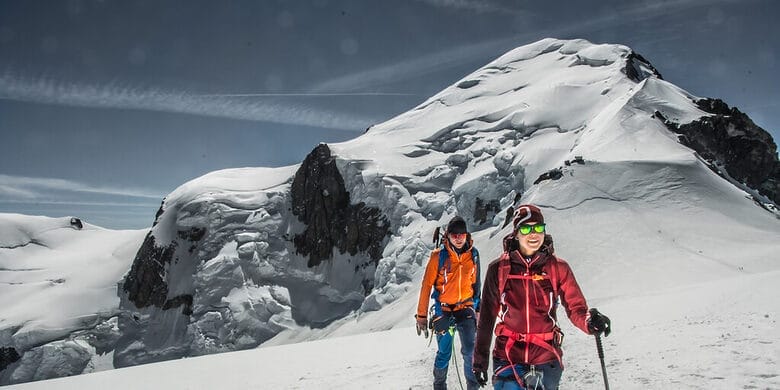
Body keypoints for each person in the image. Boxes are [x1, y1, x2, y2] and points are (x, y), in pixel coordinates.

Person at [472, 205, 611, 389]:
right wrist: (480, 361)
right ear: (516, 233)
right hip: (509, 357)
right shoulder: (498, 269)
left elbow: (575, 307)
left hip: (546, 356)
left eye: (538, 228)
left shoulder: (557, 268)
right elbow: (487, 318)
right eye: (526, 229)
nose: (533, 234)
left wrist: (589, 322)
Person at [416, 216, 482, 390]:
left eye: (462, 235)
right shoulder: (438, 257)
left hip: (465, 307)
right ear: (448, 236)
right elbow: (426, 286)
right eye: (455, 235)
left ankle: (473, 387)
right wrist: (421, 315)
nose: (459, 238)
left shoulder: (474, 255)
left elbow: (477, 284)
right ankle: (439, 386)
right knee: (444, 353)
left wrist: (478, 309)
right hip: (443, 309)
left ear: (467, 235)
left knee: (470, 351)